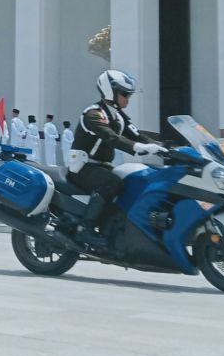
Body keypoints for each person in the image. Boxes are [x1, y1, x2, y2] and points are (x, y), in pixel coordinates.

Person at [66, 70, 164, 247]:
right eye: (125, 94)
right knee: (111, 183)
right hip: (83, 168)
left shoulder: (117, 116)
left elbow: (137, 135)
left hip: (101, 166)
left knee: (133, 181)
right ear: (111, 92)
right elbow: (111, 137)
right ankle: (84, 229)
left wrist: (163, 148)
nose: (128, 99)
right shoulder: (93, 114)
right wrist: (137, 148)